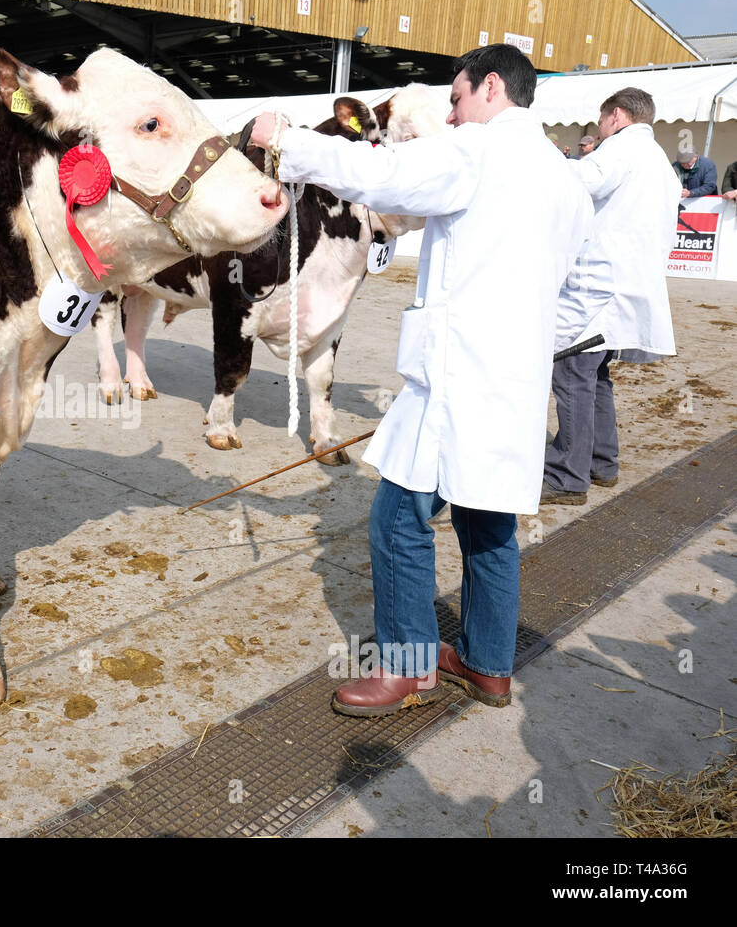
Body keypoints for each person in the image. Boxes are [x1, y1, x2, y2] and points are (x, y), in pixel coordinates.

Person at [250, 44, 593, 717]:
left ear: (491, 87)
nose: (453, 112)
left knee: (398, 521)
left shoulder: (476, 151)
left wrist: (284, 140)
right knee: (489, 524)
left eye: (458, 97)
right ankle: (489, 663)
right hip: (513, 380)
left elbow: (382, 173)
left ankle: (406, 667)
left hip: (457, 379)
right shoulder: (565, 177)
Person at [542, 88, 677, 506]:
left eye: (600, 122)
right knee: (596, 375)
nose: (598, 132)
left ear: (616, 116)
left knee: (571, 373)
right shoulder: (659, 161)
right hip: (628, 286)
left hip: (598, 287)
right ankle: (601, 461)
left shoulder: (620, 149)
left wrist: (543, 158)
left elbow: (581, 179)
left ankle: (568, 474)